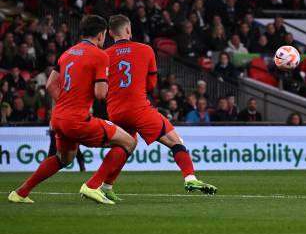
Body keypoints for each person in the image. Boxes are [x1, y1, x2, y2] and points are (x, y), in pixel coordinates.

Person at [9, 15, 138, 205]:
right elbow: (100, 93)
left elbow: (51, 84)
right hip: (77, 119)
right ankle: (93, 186)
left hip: (59, 117)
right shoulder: (100, 55)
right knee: (129, 141)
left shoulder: (67, 53)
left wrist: (67, 103)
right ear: (102, 35)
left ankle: (20, 192)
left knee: (64, 158)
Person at [99, 15, 217, 200]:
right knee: (176, 141)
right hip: (138, 108)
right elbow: (152, 84)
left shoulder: (104, 55)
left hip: (115, 109)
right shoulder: (145, 50)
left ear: (110, 33)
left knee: (125, 146)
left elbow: (100, 87)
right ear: (129, 30)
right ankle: (190, 178)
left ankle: (106, 186)